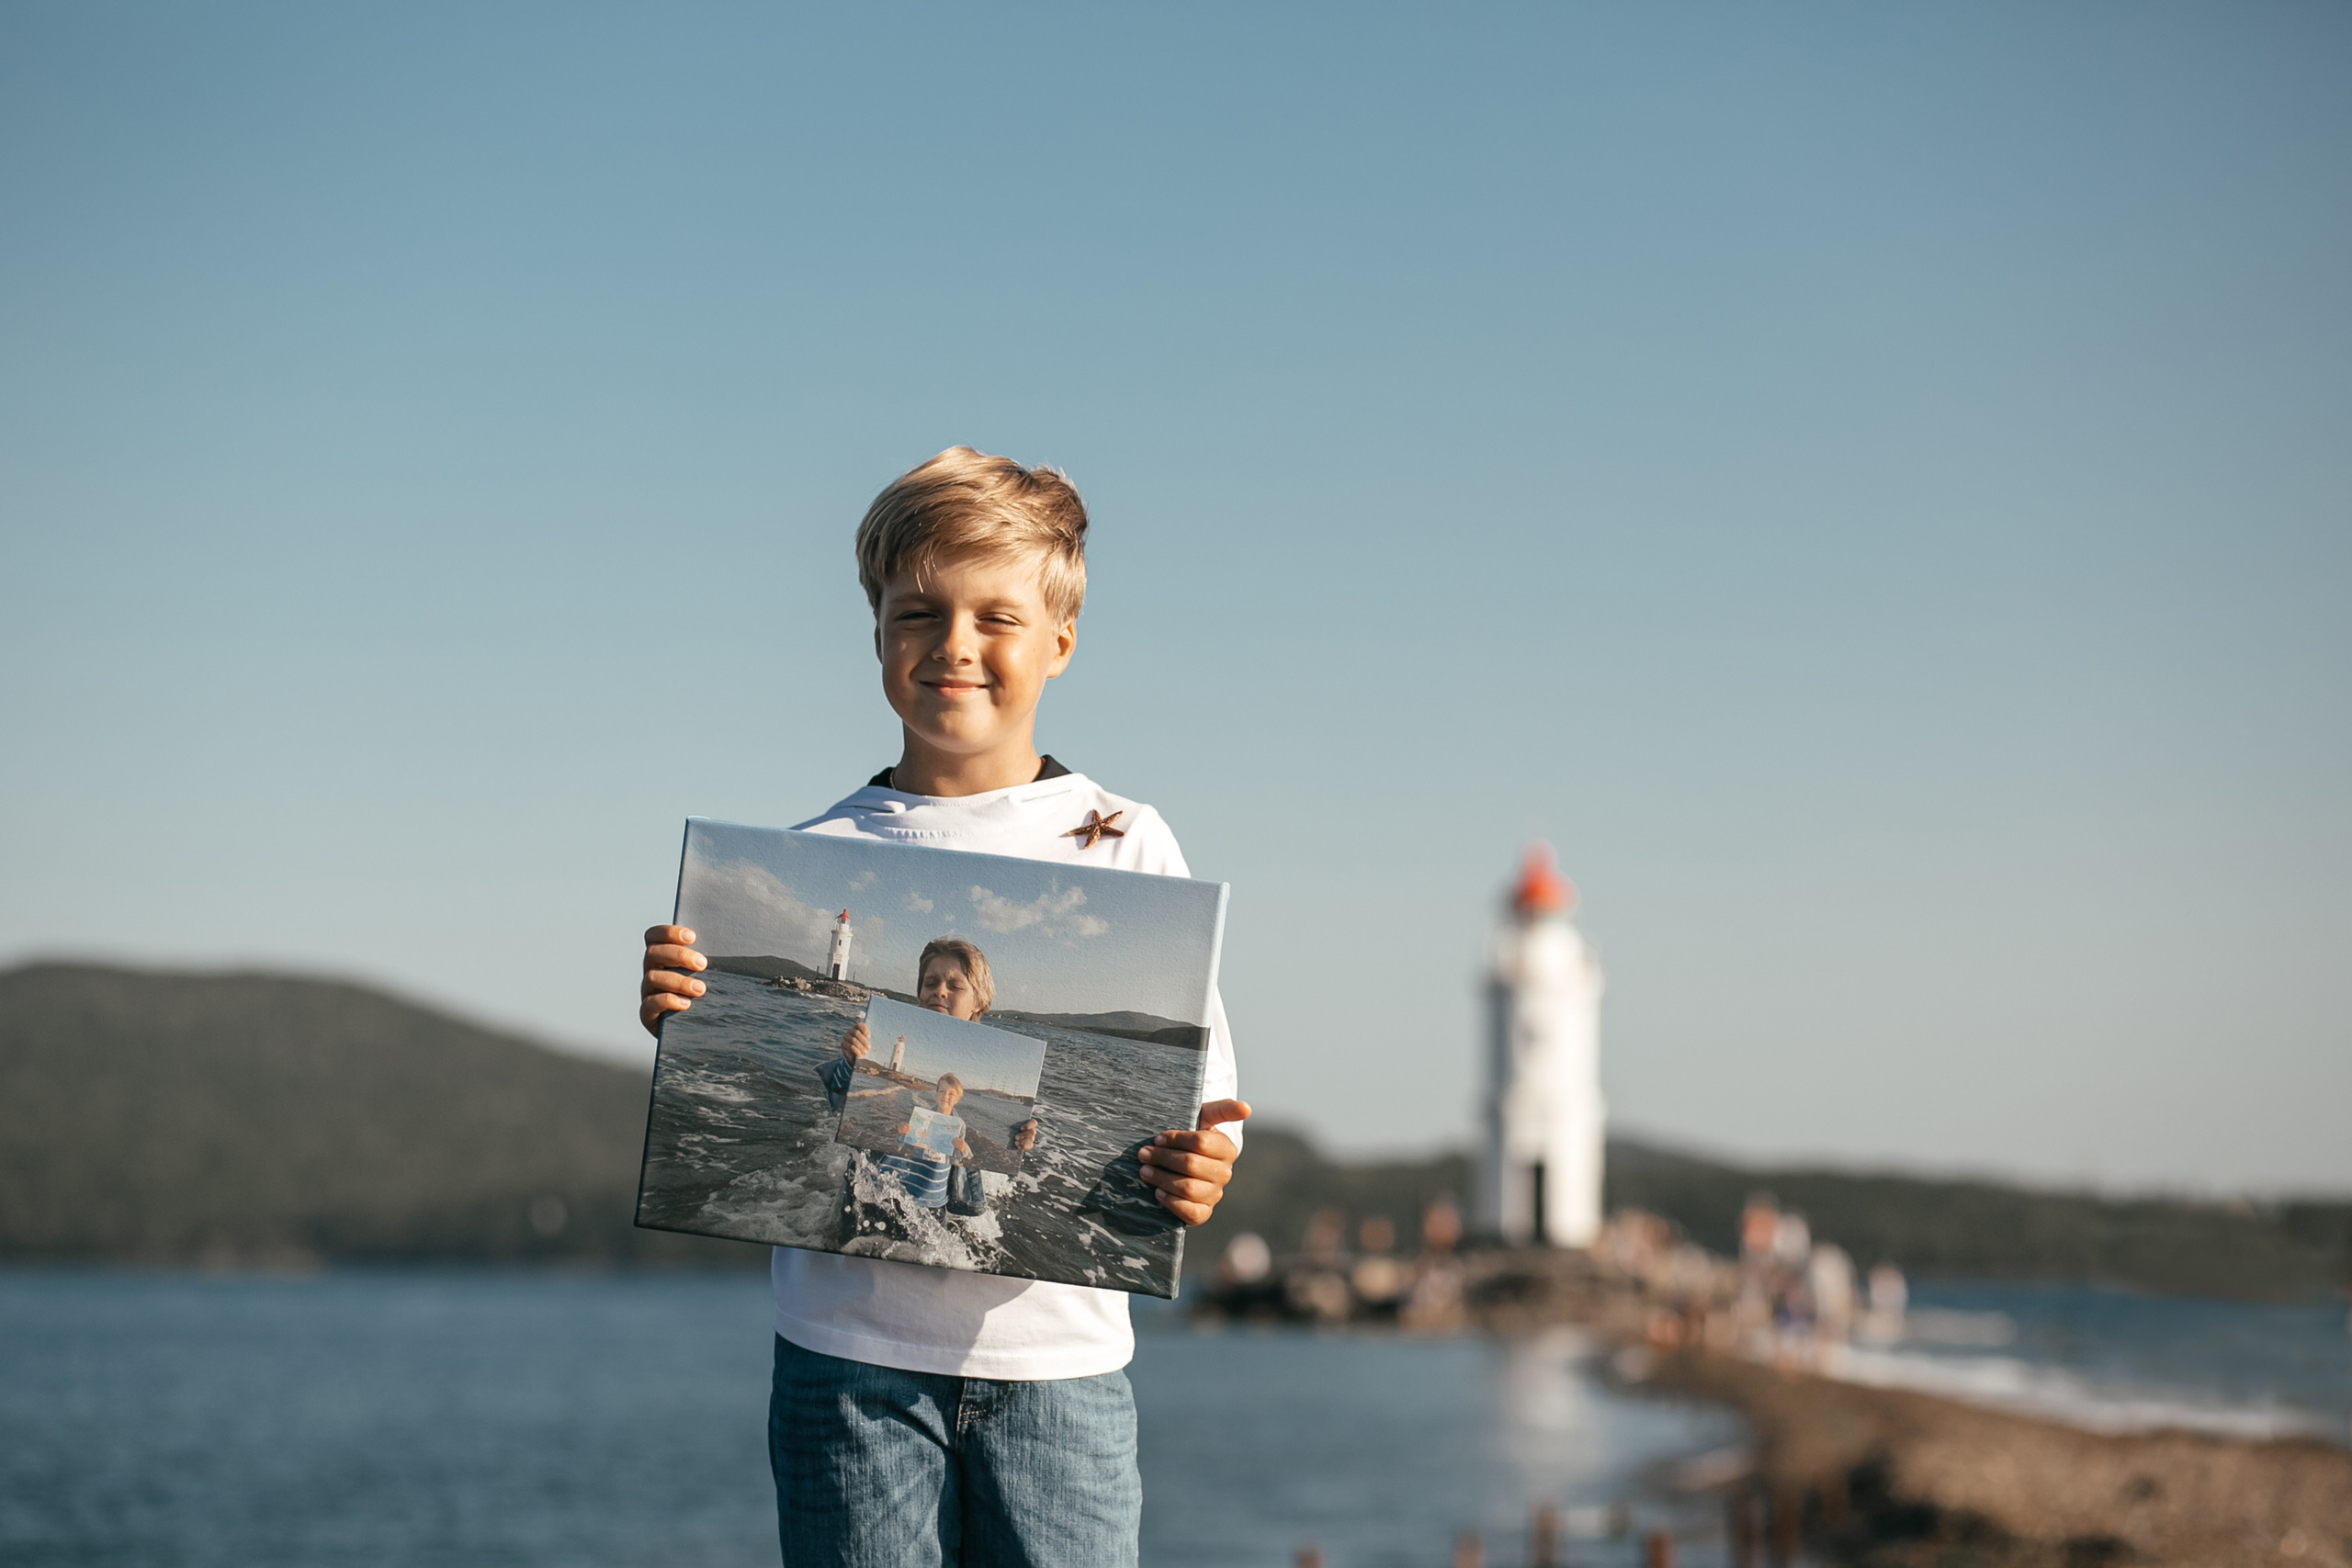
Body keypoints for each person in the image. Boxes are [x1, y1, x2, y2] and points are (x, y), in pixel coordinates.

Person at [638, 447, 1249, 1568]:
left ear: (1060, 640)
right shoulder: (815, 854)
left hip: (1057, 1369)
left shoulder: (1129, 839)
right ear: (877, 635)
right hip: (845, 1365)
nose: (955, 645)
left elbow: (1209, 1106)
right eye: (918, 613)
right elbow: (770, 1100)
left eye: (996, 617)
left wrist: (1201, 1174)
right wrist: (688, 1002)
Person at [878, 1073, 972, 1208]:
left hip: (937, 1187)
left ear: (957, 1099)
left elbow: (960, 1157)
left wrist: (963, 1148)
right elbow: (902, 1144)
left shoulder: (959, 1125)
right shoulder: (922, 1116)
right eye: (942, 1091)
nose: (945, 1096)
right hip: (916, 1176)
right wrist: (902, 1132)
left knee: (933, 1208)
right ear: (936, 1094)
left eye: (951, 1094)